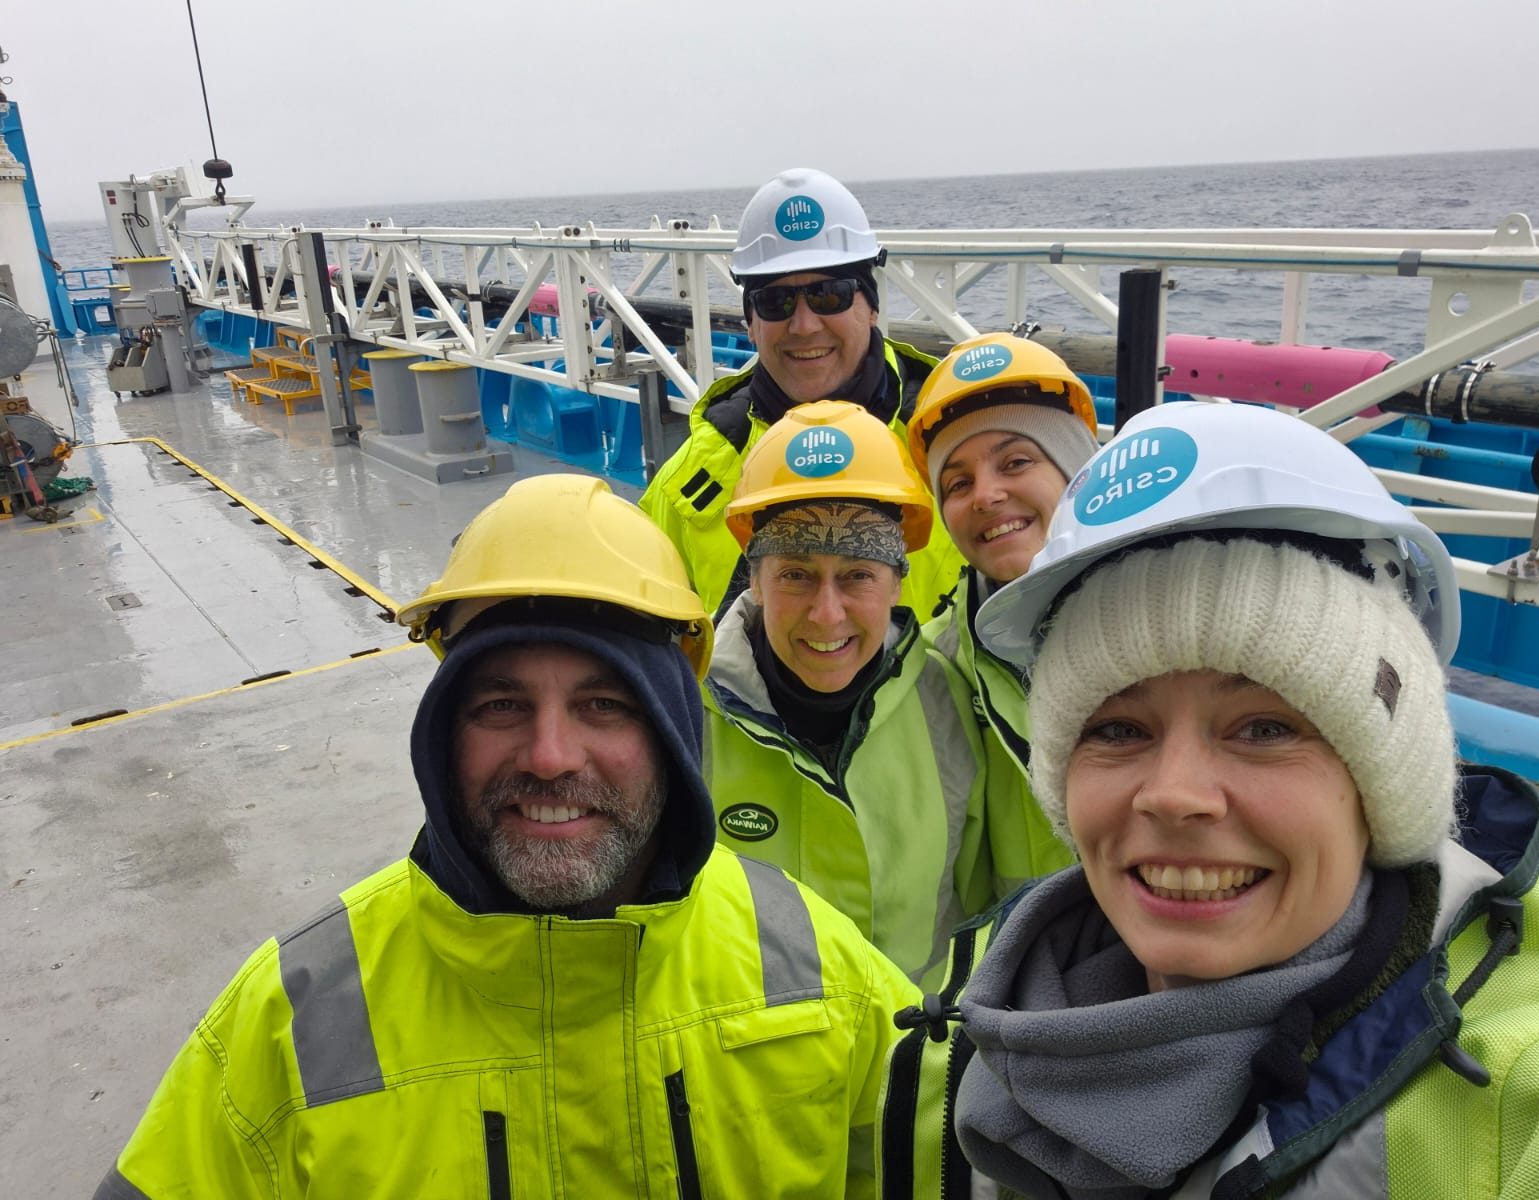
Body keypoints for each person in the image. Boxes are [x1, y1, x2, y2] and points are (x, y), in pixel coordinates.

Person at [95, 475, 917, 1199]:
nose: (551, 757)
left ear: (671, 730)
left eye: (605, 704)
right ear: (444, 732)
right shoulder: (290, 1021)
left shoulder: (816, 965)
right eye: (500, 706)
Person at [879, 402, 1539, 1198]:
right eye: (1118, 730)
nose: (1175, 795)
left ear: (1384, 779)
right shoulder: (961, 1036)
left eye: (1264, 727)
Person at [701, 400, 993, 986]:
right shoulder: (686, 715)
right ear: (754, 580)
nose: (827, 614)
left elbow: (985, 909)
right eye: (795, 574)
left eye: (858, 574)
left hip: (917, 1058)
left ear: (897, 580)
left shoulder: (955, 702)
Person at [640, 166, 964, 621]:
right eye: (776, 302)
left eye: (830, 295)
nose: (805, 324)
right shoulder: (691, 485)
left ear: (871, 306)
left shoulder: (955, 449)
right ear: (751, 323)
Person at [907, 332, 1104, 896]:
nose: (985, 496)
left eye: (1016, 461)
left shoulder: (1184, 613)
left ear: (1076, 470)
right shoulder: (932, 670)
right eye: (957, 483)